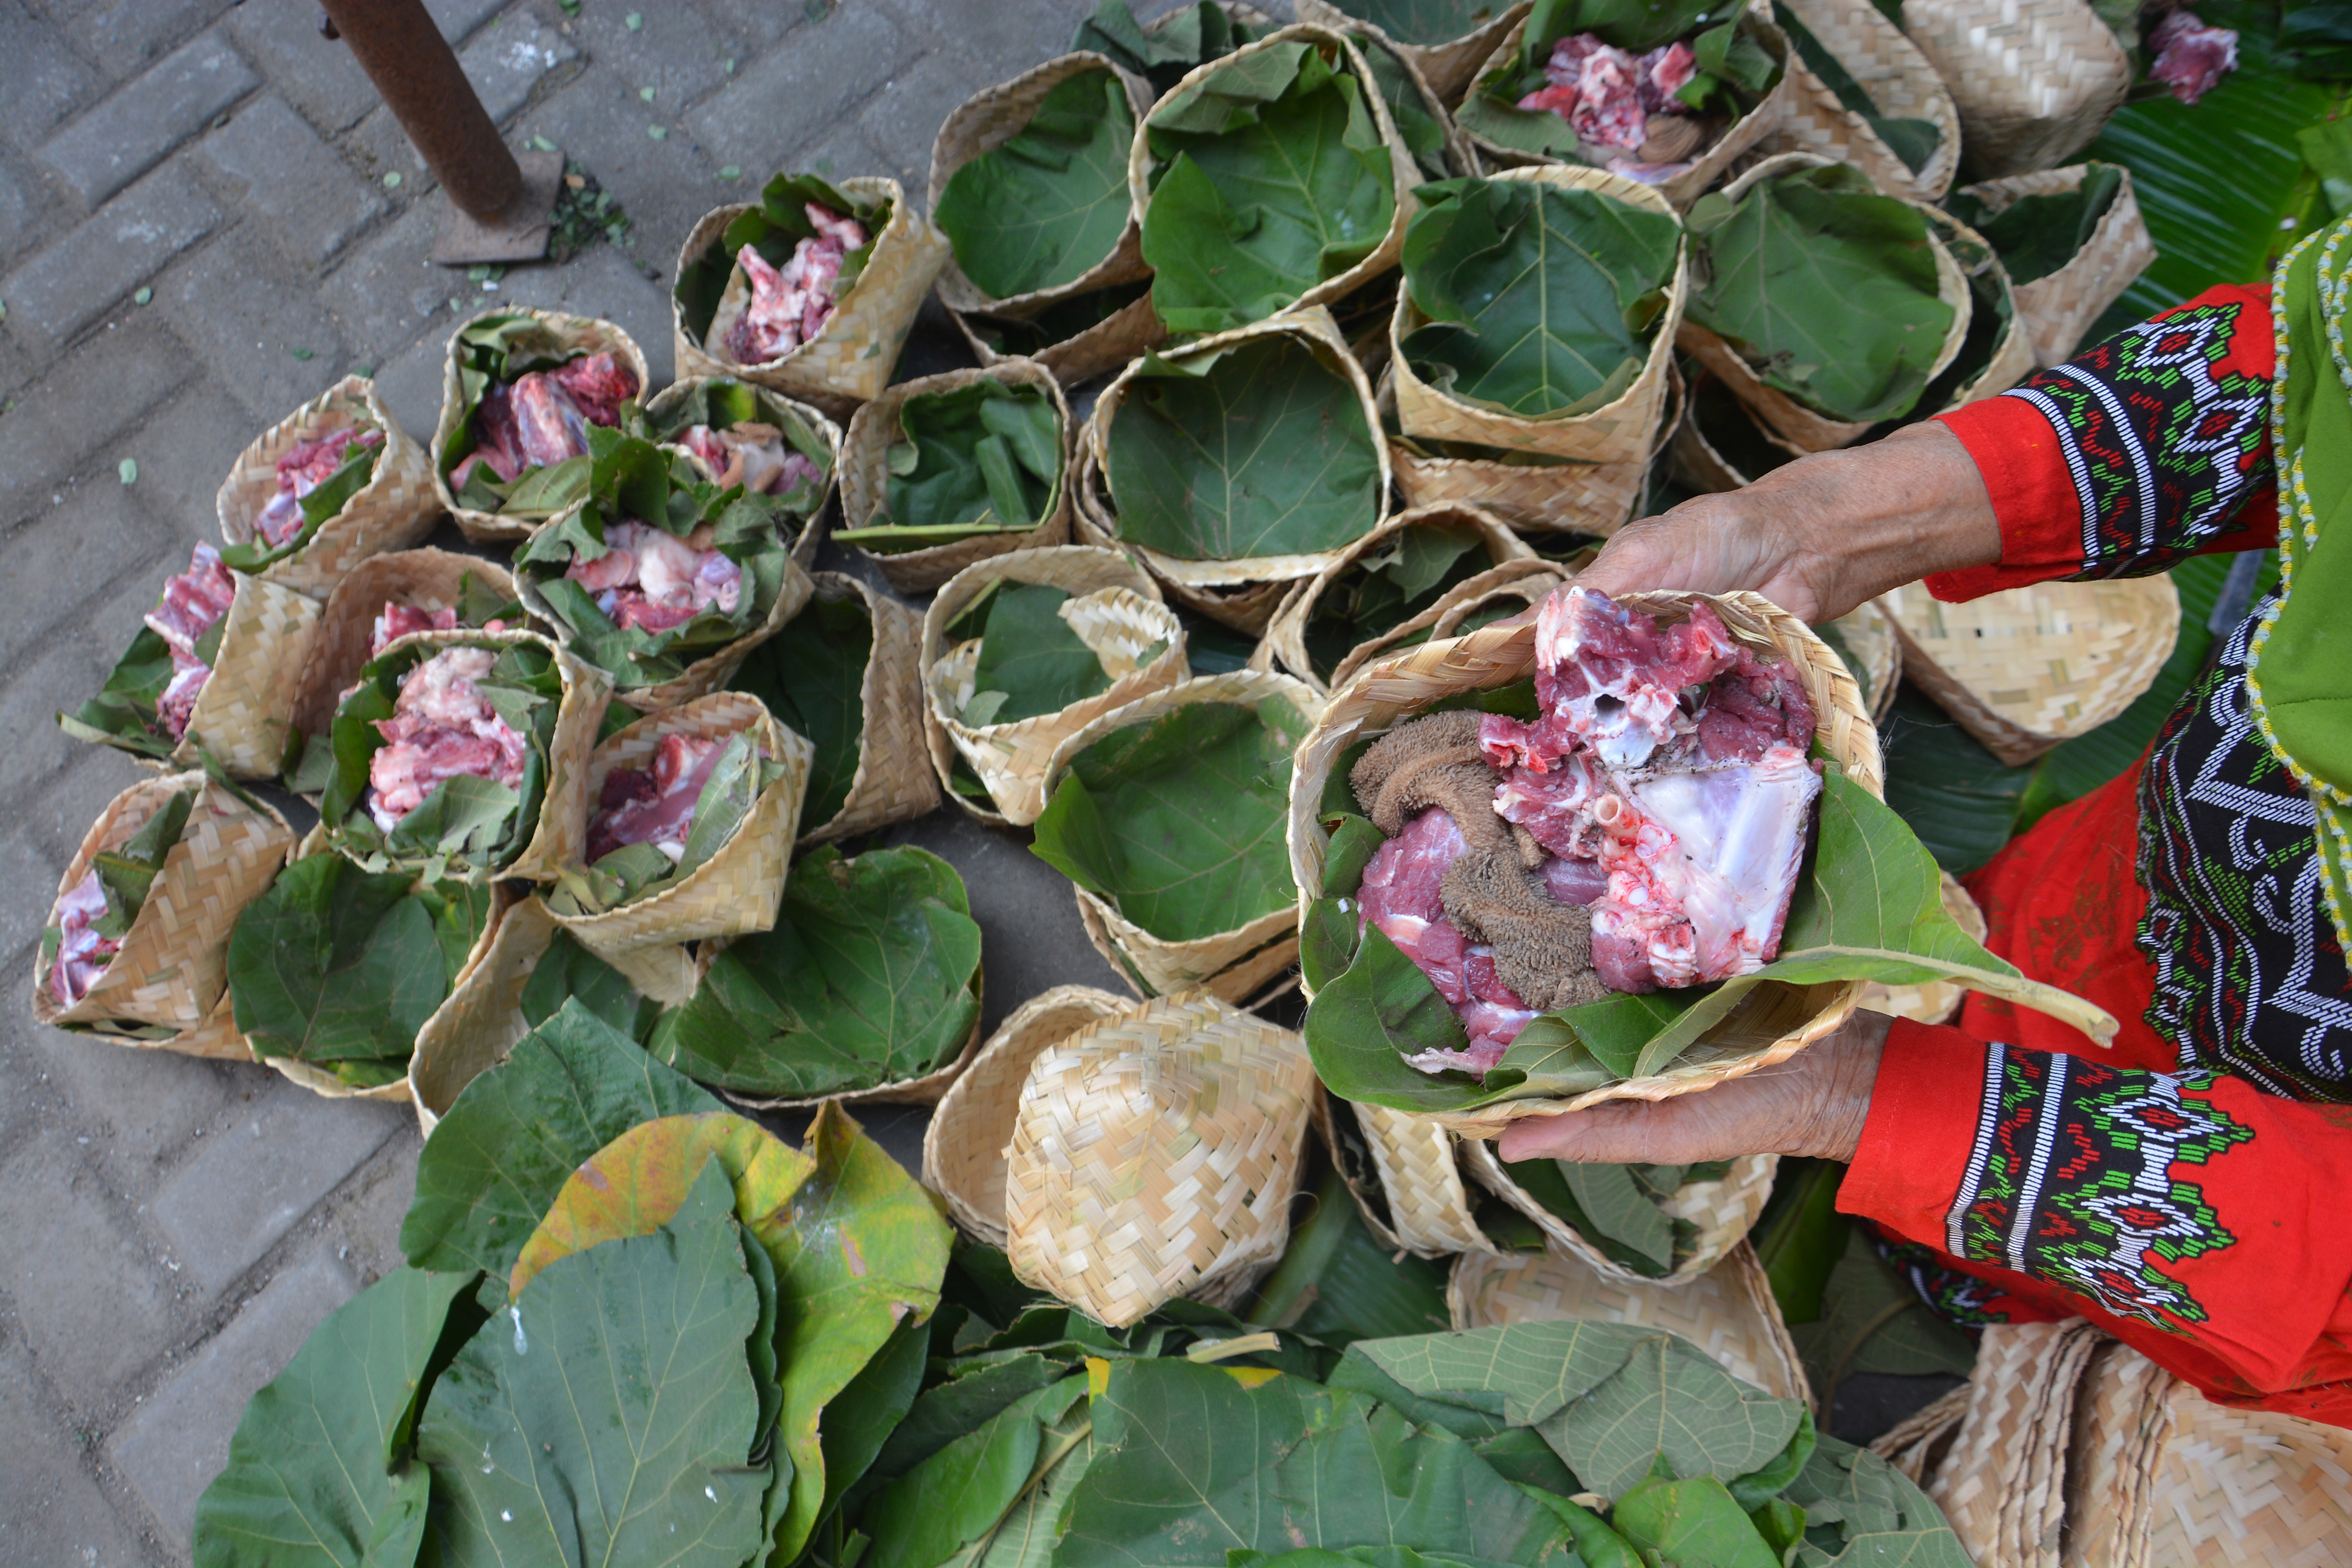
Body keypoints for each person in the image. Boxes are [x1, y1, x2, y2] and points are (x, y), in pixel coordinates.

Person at [1499, 219, 2352, 1426]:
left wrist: (1849, 1100)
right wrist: (1821, 524)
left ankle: (1985, 1297)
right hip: (2119, 897)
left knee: (2050, 1319)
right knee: (2005, 955)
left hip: (2257, 1244)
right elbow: (2299, 375)